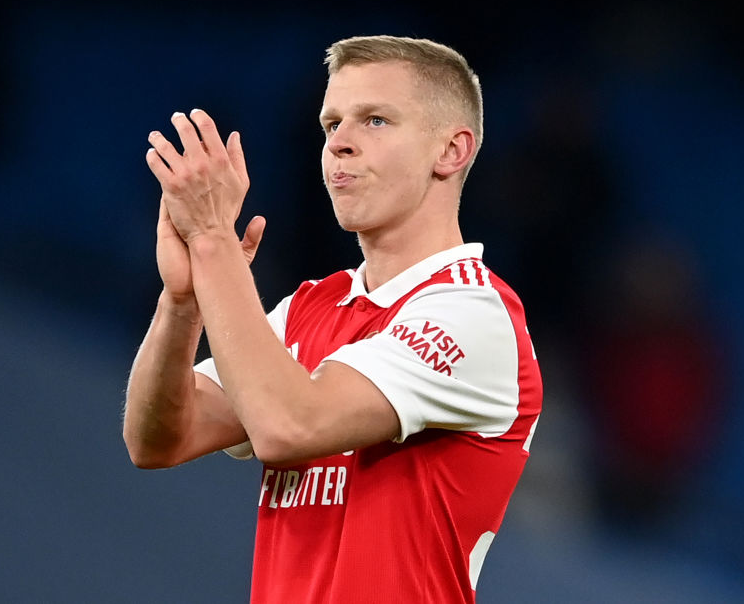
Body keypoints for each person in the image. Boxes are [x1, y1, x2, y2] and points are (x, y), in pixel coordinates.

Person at [123, 35, 543, 603]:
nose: (339, 143)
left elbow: (289, 426)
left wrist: (215, 242)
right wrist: (182, 304)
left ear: (451, 151)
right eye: (331, 124)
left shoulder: (473, 314)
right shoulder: (308, 308)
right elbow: (158, 440)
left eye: (375, 120)